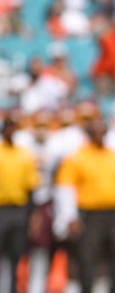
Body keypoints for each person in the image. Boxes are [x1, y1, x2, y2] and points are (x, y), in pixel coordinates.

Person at [54, 117, 115, 293]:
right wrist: (69, 216)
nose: (99, 134)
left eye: (102, 130)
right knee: (87, 259)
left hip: (113, 214)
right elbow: (65, 188)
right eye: (95, 131)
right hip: (89, 214)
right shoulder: (77, 157)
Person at [0, 114, 39, 293]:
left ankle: (14, 289)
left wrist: (31, 215)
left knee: (17, 253)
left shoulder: (24, 154)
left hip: (18, 209)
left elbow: (31, 187)